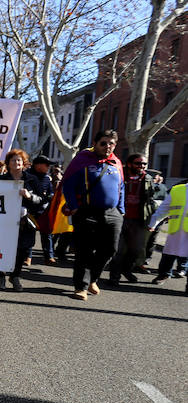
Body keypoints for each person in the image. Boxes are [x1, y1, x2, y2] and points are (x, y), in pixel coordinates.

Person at [61, 129, 124, 300]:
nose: (108, 146)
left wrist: (121, 210)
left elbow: (121, 187)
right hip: (87, 212)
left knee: (110, 249)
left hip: (113, 214)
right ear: (95, 143)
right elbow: (68, 185)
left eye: (111, 143)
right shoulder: (82, 161)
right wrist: (74, 207)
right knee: (85, 251)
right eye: (103, 143)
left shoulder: (116, 163)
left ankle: (93, 279)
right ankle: (80, 287)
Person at [0, 149, 51, 291]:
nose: (16, 162)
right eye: (13, 160)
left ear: (24, 163)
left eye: (19, 160)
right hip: (5, 221)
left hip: (25, 221)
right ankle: (1, 276)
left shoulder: (32, 180)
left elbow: (41, 200)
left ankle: (15, 276)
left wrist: (29, 196)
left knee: (23, 250)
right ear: (8, 163)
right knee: (3, 248)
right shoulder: (1, 180)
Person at [108, 154, 161, 286]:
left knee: (136, 250)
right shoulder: (119, 175)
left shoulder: (148, 178)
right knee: (118, 250)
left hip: (138, 220)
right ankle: (114, 277)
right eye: (138, 163)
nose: (142, 166)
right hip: (120, 218)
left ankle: (126, 270)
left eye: (144, 164)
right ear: (130, 164)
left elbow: (150, 199)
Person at [26, 155, 56, 264]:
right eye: (47, 165)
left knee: (47, 234)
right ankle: (27, 257)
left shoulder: (47, 178)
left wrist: (50, 196)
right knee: (29, 234)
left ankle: (49, 256)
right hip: (29, 210)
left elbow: (50, 191)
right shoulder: (26, 176)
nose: (49, 167)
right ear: (38, 165)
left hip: (43, 211)